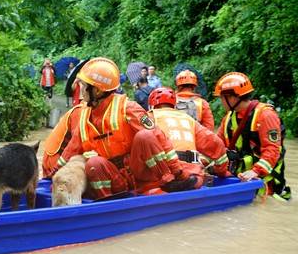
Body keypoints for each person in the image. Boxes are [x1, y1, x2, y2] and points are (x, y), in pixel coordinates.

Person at [54, 57, 201, 199]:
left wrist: (178, 172)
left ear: (97, 91)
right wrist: (53, 173)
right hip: (114, 177)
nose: (80, 90)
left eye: (84, 86)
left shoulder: (128, 108)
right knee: (93, 163)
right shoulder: (85, 115)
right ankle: (108, 202)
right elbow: (71, 148)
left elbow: (158, 136)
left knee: (146, 136)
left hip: (139, 172)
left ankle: (163, 182)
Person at [214, 72, 291, 200]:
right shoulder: (228, 118)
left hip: (264, 184)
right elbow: (217, 145)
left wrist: (255, 171)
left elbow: (272, 150)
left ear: (232, 98)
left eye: (222, 97)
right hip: (240, 179)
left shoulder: (265, 115)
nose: (221, 101)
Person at [148, 87, 230, 179]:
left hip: (163, 175)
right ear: (174, 105)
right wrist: (221, 171)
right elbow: (215, 143)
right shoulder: (189, 119)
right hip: (193, 174)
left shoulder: (149, 118)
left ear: (152, 106)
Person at [42, 102, 84, 178]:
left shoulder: (85, 109)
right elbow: (77, 144)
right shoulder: (80, 111)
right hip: (54, 158)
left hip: (56, 155)